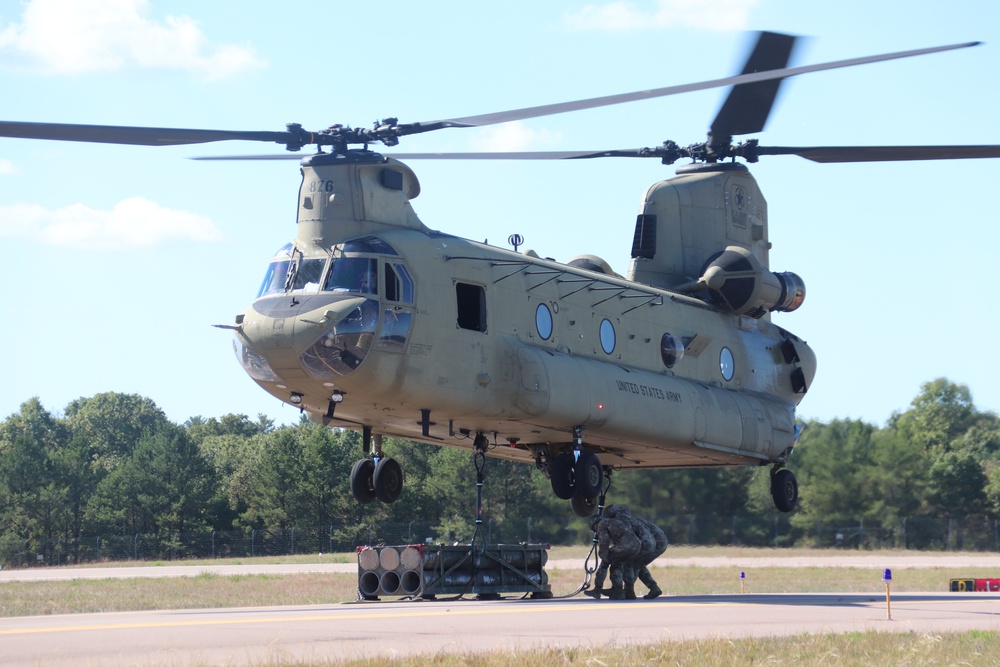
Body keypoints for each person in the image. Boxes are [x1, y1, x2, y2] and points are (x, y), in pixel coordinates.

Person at [584, 505, 640, 600]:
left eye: (594, 529)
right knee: (628, 566)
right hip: (637, 545)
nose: (596, 532)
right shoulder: (612, 522)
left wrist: (603, 555)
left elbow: (604, 541)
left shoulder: (602, 524)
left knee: (609, 564)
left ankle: (602, 590)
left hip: (626, 545)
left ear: (595, 525)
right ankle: (630, 592)